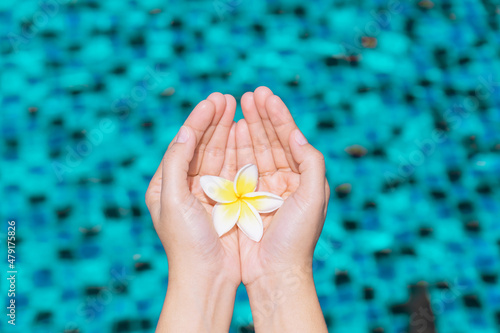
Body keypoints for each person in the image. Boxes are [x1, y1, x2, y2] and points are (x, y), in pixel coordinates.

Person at [145, 86, 330, 332]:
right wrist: (279, 273)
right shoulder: (227, 197)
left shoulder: (248, 196)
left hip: (240, 202)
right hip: (236, 202)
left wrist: (201, 272)